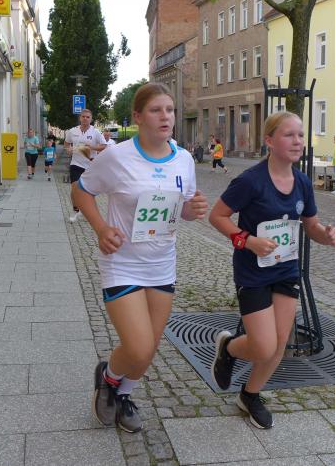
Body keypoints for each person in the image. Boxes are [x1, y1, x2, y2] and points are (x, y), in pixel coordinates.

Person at [75, 82, 208, 433]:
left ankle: (121, 394)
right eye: (156, 110)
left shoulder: (184, 159)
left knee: (148, 349)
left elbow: (183, 210)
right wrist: (101, 228)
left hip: (162, 264)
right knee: (138, 346)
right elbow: (81, 191)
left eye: (170, 110)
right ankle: (109, 376)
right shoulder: (117, 157)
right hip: (123, 263)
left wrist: (193, 210)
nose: (166, 117)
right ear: (138, 116)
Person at [208, 111, 335, 429]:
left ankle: (250, 395)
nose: (297, 141)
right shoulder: (250, 181)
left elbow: (311, 226)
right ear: (269, 140)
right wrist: (248, 241)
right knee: (263, 345)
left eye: (300, 135)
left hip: (285, 270)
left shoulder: (303, 182)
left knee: (279, 343)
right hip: (253, 273)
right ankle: (229, 348)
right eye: (289, 135)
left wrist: (326, 235)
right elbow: (217, 217)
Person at [65, 109, 108, 222]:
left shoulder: (95, 132)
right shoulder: (72, 131)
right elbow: (67, 143)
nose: (85, 118)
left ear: (91, 119)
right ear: (80, 118)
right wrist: (68, 149)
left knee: (88, 191)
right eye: (83, 116)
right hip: (76, 163)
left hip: (90, 165)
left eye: (88, 117)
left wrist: (92, 147)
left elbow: (104, 146)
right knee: (75, 188)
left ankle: (88, 211)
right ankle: (75, 210)